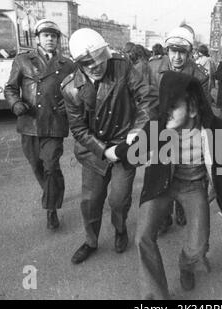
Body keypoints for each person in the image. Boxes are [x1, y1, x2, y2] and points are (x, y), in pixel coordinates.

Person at [104, 71, 222, 299]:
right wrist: (112, 151)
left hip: (194, 187)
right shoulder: (159, 126)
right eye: (163, 108)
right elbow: (134, 150)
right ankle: (156, 296)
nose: (165, 114)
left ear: (193, 108)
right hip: (161, 185)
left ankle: (186, 266)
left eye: (172, 108)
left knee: (198, 248)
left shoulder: (216, 130)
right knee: (143, 237)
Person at [61, 28, 158, 264]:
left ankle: (120, 228)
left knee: (118, 199)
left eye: (99, 57)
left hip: (125, 146)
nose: (96, 65)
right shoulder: (70, 87)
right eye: (88, 62)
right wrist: (104, 150)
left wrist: (135, 133)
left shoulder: (122, 66)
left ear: (105, 53)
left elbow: (147, 98)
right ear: (79, 64)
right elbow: (79, 130)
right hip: (94, 152)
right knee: (91, 201)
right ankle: (91, 241)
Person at [4, 20, 74, 230]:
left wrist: (69, 102)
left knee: (51, 166)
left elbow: (77, 90)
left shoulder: (68, 64)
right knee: (37, 165)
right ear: (37, 39)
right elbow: (10, 88)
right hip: (30, 122)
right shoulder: (23, 60)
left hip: (54, 122)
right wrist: (15, 103)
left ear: (58, 39)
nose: (50, 39)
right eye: (46, 35)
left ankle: (51, 210)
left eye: (54, 36)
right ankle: (52, 192)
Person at [149, 26, 210, 234]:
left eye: (182, 52)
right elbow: (148, 101)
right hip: (163, 129)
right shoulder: (154, 69)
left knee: (185, 172)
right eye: (173, 51)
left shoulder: (199, 76)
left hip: (187, 133)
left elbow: (203, 107)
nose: (177, 56)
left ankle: (183, 207)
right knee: (162, 174)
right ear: (167, 51)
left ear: (189, 53)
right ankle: (164, 217)